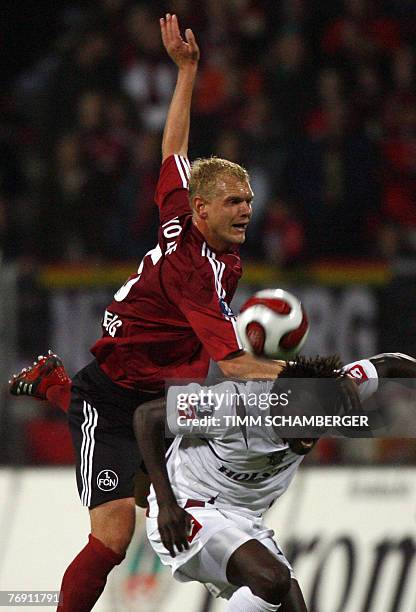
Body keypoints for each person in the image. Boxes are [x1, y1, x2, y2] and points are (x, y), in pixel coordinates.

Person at [9, 15, 288, 612]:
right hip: (113, 398)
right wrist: (319, 384)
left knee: (158, 492)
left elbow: (173, 149)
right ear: (205, 210)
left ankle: (55, 387)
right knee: (114, 537)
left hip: (162, 396)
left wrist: (186, 70)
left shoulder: (180, 211)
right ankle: (66, 392)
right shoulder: (196, 270)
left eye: (250, 200)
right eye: (234, 203)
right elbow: (237, 367)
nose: (247, 211)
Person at [133, 352, 416, 612]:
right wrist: (166, 502)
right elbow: (147, 418)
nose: (309, 430)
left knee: (289, 603)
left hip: (244, 522)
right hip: (187, 508)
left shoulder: (333, 393)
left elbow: (389, 364)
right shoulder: (232, 405)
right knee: (272, 578)